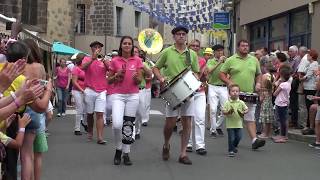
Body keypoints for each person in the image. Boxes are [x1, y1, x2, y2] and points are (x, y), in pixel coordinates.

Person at [153, 26, 199, 164]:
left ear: (186, 36)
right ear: (174, 37)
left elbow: (196, 72)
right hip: (171, 91)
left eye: (183, 34)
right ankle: (166, 144)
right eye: (178, 34)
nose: (181, 36)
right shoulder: (167, 52)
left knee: (187, 121)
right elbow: (155, 68)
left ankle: (183, 153)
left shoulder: (191, 54)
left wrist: (195, 80)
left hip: (188, 91)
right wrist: (161, 79)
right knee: (170, 123)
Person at [219, 39, 266, 150]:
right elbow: (221, 74)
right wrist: (229, 82)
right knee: (235, 117)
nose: (245, 47)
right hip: (235, 94)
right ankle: (234, 139)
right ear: (238, 47)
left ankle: (254, 140)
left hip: (250, 93)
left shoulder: (254, 59)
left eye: (247, 45)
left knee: (250, 117)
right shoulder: (231, 60)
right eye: (243, 46)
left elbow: (258, 74)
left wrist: (258, 83)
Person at [108, 36, 143, 165]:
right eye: (125, 43)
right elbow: (109, 80)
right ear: (121, 45)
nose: (127, 45)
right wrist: (116, 76)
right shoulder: (115, 60)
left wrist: (136, 78)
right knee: (117, 124)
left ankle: (126, 153)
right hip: (118, 95)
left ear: (132, 46)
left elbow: (140, 80)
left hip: (133, 96)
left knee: (128, 125)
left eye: (129, 43)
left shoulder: (137, 60)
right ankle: (118, 149)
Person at [82, 41, 109, 144]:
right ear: (91, 48)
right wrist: (93, 58)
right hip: (89, 90)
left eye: (99, 47)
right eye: (95, 47)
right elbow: (83, 67)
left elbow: (111, 69)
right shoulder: (86, 58)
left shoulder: (104, 59)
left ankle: (100, 137)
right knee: (89, 114)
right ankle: (89, 131)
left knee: (100, 114)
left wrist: (105, 61)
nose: (97, 49)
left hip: (101, 91)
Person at [186, 39, 207, 155]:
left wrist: (204, 75)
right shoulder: (185, 59)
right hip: (187, 92)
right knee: (188, 118)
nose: (195, 47)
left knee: (200, 118)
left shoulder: (203, 60)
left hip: (200, 92)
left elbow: (203, 78)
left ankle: (200, 145)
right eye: (193, 46)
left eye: (197, 46)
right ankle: (188, 143)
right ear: (189, 47)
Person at [206, 44, 228, 137]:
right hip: (212, 86)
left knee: (225, 110)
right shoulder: (210, 61)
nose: (220, 52)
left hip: (223, 87)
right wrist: (219, 62)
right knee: (213, 109)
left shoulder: (227, 61)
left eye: (221, 50)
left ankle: (217, 125)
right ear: (214, 52)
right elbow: (209, 71)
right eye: (218, 51)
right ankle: (213, 130)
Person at [223, 84, 248, 157]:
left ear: (239, 92)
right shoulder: (227, 103)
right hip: (230, 124)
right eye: (233, 91)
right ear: (229, 93)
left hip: (239, 124)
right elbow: (223, 111)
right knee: (231, 138)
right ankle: (231, 150)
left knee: (239, 137)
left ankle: (234, 146)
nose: (235, 92)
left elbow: (246, 109)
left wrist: (244, 112)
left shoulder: (241, 102)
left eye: (237, 91)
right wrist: (228, 112)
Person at [134, 46, 152, 139]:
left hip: (141, 90)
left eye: (136, 52)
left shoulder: (143, 63)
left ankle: (137, 130)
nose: (134, 53)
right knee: (130, 113)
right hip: (130, 91)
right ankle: (131, 131)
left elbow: (150, 74)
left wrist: (142, 65)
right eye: (133, 52)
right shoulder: (126, 62)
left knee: (140, 113)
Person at [300, 49, 319, 135]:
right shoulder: (311, 64)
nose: (307, 56)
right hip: (308, 87)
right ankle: (309, 125)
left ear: (311, 56)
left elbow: (308, 76)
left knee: (310, 106)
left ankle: (310, 126)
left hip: (311, 88)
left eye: (308, 55)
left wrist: (301, 79)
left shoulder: (313, 64)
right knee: (308, 106)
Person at [273, 65, 292, 143]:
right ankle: (283, 135)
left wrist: (278, 83)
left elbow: (275, 93)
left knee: (282, 121)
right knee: (284, 120)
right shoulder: (288, 84)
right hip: (285, 103)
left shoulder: (282, 85)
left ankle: (282, 136)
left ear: (282, 75)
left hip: (280, 104)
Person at [258, 62, 276, 139]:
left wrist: (260, 96)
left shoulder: (264, 76)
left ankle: (264, 133)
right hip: (270, 96)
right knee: (269, 115)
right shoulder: (273, 76)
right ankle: (268, 133)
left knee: (264, 116)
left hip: (265, 95)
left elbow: (262, 87)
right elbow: (271, 88)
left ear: (266, 68)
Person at [71, 53, 86, 135]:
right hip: (77, 91)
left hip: (86, 90)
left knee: (87, 109)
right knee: (79, 109)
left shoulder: (86, 68)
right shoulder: (76, 68)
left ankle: (84, 122)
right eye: (85, 60)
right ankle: (77, 128)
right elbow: (74, 82)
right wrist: (82, 90)